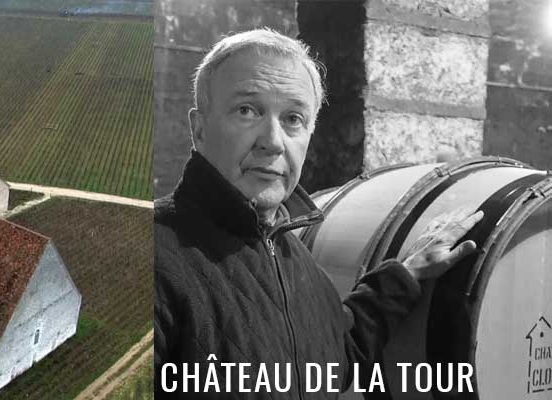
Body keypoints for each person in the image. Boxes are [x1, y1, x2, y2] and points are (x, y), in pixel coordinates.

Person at [153, 29, 483, 398]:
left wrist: (407, 274)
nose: (273, 141)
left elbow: (338, 355)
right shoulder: (154, 258)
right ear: (198, 128)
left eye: (293, 118)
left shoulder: (299, 264)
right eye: (247, 111)